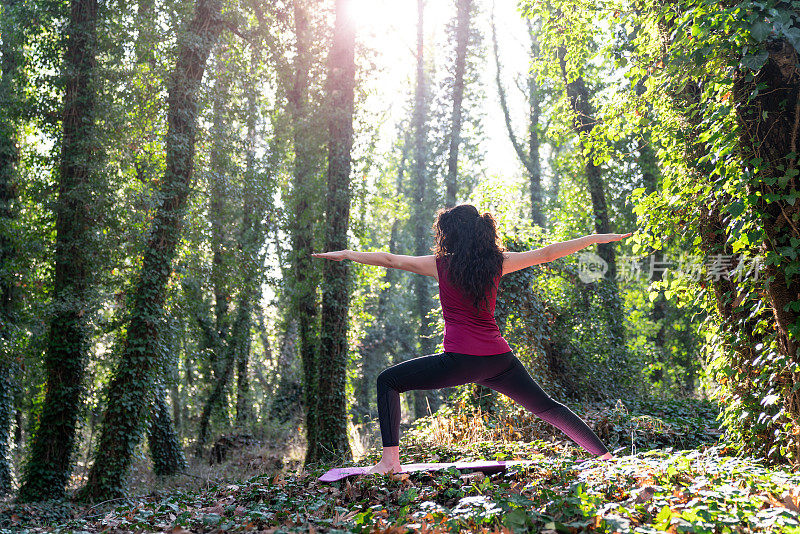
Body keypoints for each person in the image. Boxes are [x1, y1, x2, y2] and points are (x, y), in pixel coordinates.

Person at [312, 204, 632, 474]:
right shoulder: (499, 262)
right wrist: (594, 237)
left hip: (461, 362)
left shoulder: (439, 265)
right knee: (547, 407)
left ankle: (389, 461)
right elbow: (547, 254)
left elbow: (391, 259)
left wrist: (348, 254)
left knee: (388, 381)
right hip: (499, 361)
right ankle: (606, 458)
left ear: (449, 234)